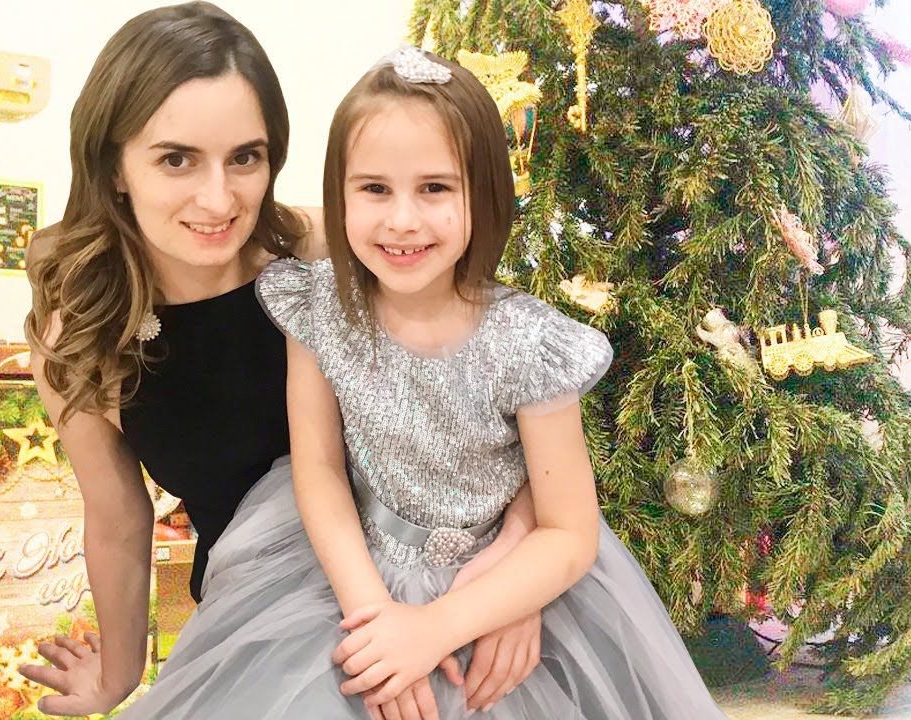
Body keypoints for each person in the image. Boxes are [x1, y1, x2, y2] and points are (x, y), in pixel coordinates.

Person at [19, 5, 538, 717]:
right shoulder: (79, 334)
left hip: (450, 613)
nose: (218, 199)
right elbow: (116, 519)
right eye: (176, 159)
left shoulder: (332, 254)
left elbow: (507, 395)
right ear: (113, 167)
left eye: (246, 157)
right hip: (260, 636)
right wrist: (117, 673)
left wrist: (515, 579)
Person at [247, 47, 727, 719]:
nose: (402, 220)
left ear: (485, 192)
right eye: (374, 188)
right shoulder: (319, 307)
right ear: (340, 192)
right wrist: (375, 622)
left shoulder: (529, 343)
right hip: (350, 569)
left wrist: (433, 630)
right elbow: (319, 466)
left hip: (497, 580)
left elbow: (568, 532)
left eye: (435, 188)